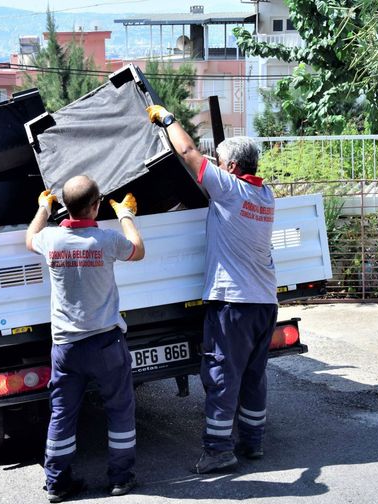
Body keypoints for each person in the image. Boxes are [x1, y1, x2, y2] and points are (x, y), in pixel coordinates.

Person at [147, 105, 278, 474]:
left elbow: (188, 154)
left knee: (222, 375)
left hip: (233, 304)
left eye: (219, 161)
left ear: (233, 169)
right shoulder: (265, 196)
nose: (214, 165)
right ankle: (252, 443)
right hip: (264, 302)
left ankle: (219, 450)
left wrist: (169, 120)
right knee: (253, 375)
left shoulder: (230, 191)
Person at [25, 176, 145, 502]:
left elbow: (29, 237)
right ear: (95, 206)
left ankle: (57, 483)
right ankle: (120, 479)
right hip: (106, 344)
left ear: (65, 205)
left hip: (66, 348)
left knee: (62, 414)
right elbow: (139, 250)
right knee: (120, 410)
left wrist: (42, 208)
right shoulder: (106, 241)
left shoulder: (51, 239)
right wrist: (125, 215)